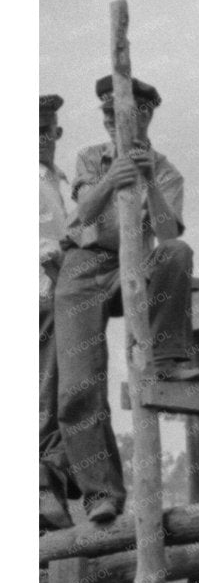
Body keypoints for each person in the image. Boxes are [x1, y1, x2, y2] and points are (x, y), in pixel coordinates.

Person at [47, 75, 199, 527]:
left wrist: (149, 182)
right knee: (78, 387)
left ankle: (169, 355)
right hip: (82, 269)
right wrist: (113, 177)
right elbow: (80, 219)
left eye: (121, 114)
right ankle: (101, 494)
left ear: (146, 114)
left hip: (132, 268)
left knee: (177, 254)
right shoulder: (90, 158)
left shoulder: (168, 170)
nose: (112, 122)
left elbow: (169, 233)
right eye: (106, 115)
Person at [40, 94, 77, 530]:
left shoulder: (61, 180)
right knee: (48, 383)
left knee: (68, 381)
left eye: (48, 132)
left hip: (58, 287)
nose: (41, 140)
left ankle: (58, 473)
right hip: (38, 289)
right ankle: (45, 473)